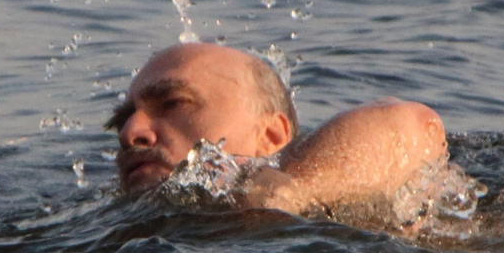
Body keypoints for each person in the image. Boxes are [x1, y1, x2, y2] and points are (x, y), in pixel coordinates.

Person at [108, 41, 448, 221]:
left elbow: (414, 126)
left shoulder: (325, 218)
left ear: (270, 136)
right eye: (123, 120)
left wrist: (294, 190)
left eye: (174, 104)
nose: (130, 132)